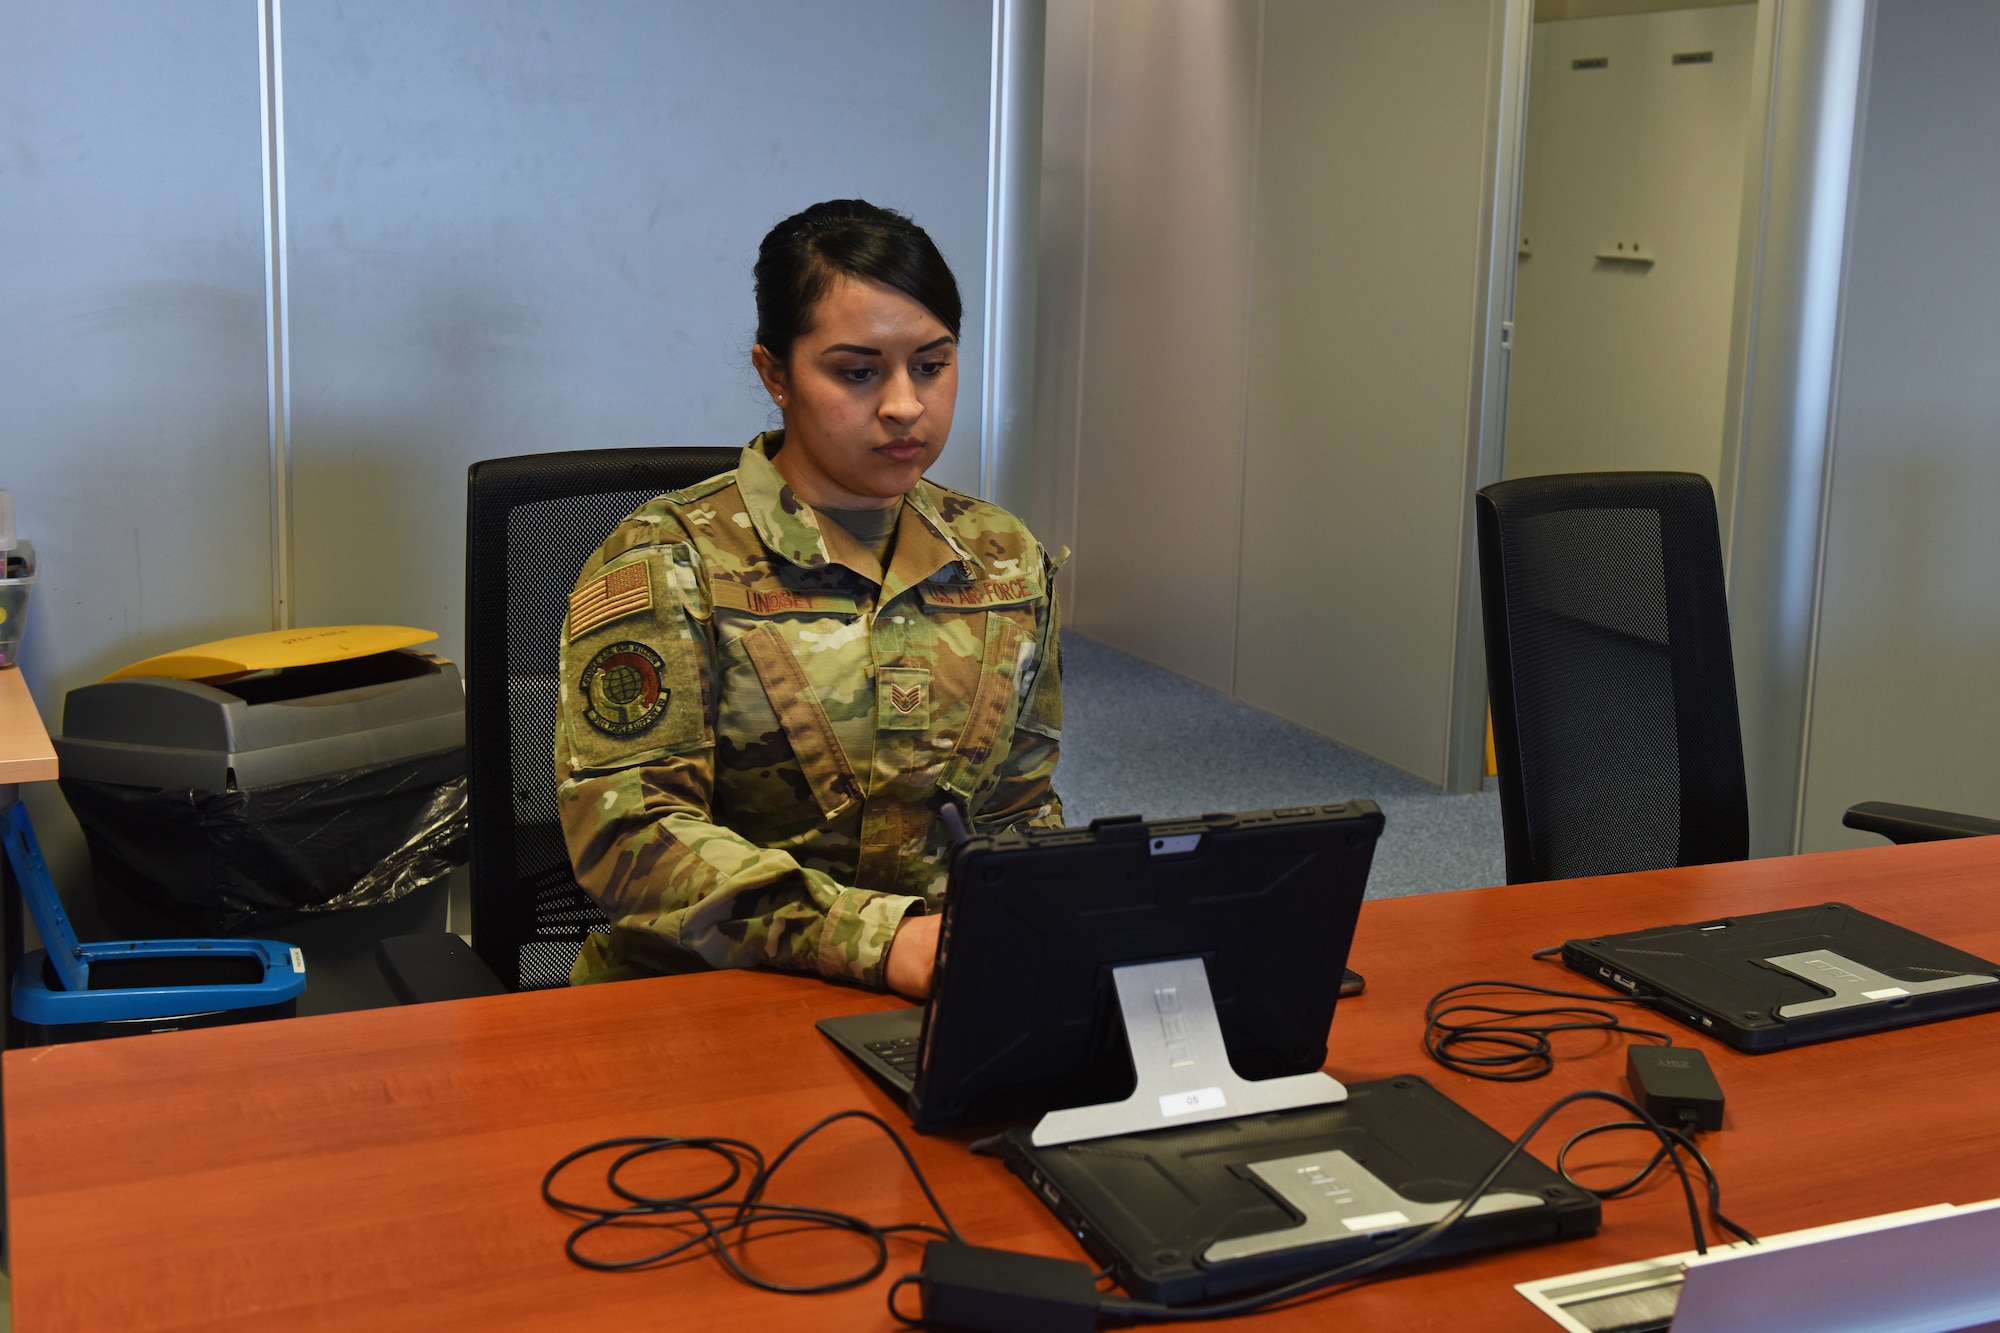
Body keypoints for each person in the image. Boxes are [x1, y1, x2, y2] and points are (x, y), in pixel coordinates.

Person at [554, 199, 1064, 999]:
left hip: (934, 992)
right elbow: (635, 836)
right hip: (711, 998)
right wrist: (878, 941)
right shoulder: (671, 560)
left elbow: (1019, 812)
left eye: (932, 365)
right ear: (775, 374)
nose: (905, 405)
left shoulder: (1002, 557)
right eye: (858, 372)